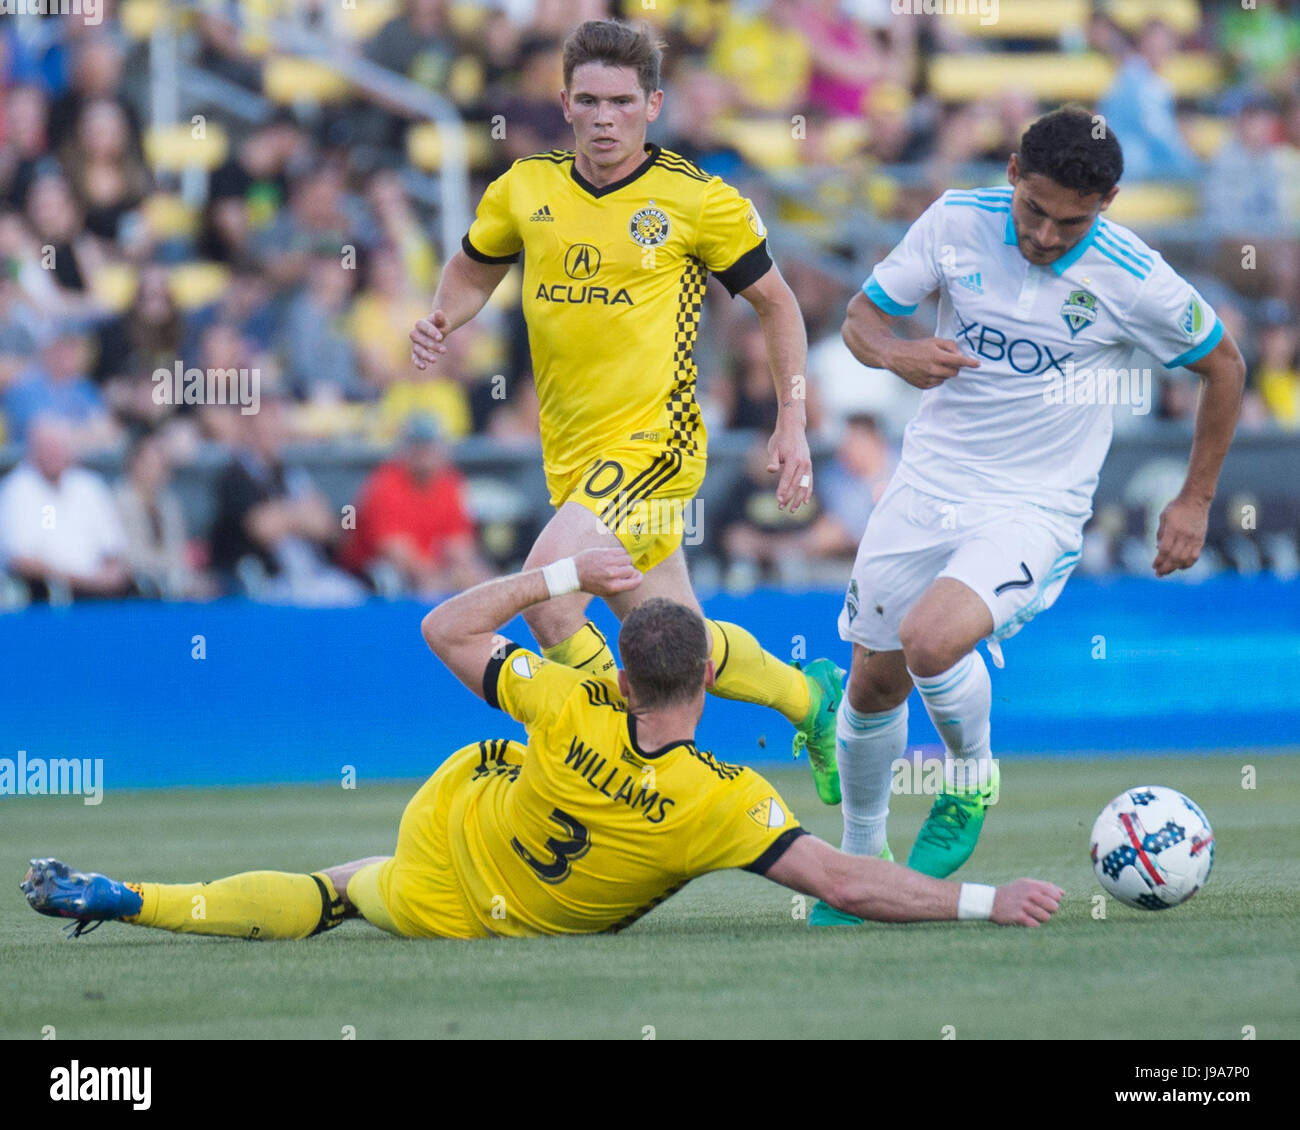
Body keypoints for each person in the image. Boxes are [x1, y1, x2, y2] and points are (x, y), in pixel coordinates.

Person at [20, 547, 1063, 940]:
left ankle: (135, 898)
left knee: (334, 883)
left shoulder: (569, 699)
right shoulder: (724, 800)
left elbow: (443, 627)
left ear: (622, 667)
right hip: (473, 921)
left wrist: (558, 579)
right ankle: (807, 697)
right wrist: (987, 898)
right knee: (344, 890)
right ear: (708, 675)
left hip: (445, 843)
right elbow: (847, 880)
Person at [816, 106, 1245, 925]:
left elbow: (1224, 367)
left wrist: (1194, 498)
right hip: (928, 481)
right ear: (1012, 173)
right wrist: (901, 354)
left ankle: (970, 775)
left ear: (1109, 201)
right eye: (1034, 210)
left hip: (1034, 504)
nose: (1047, 235)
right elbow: (861, 319)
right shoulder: (954, 220)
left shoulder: (1136, 277)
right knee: (872, 682)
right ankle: (860, 864)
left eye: (1071, 221)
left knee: (932, 640)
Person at [408, 18, 844, 805]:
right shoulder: (524, 188)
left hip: (656, 444)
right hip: (574, 455)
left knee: (550, 597)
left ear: (653, 104)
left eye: (620, 101)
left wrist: (793, 420)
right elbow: (472, 271)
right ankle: (811, 701)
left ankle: (613, 755)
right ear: (565, 104)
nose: (604, 117)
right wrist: (444, 317)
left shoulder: (697, 199)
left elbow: (779, 308)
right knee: (674, 642)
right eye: (588, 101)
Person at [339, 413, 491, 595]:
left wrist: (469, 576)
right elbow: (396, 552)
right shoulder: (385, 484)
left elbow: (460, 546)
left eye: (430, 446)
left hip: (431, 569)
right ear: (404, 449)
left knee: (476, 580)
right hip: (371, 576)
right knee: (422, 584)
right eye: (418, 446)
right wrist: (441, 577)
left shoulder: (449, 483)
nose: (424, 453)